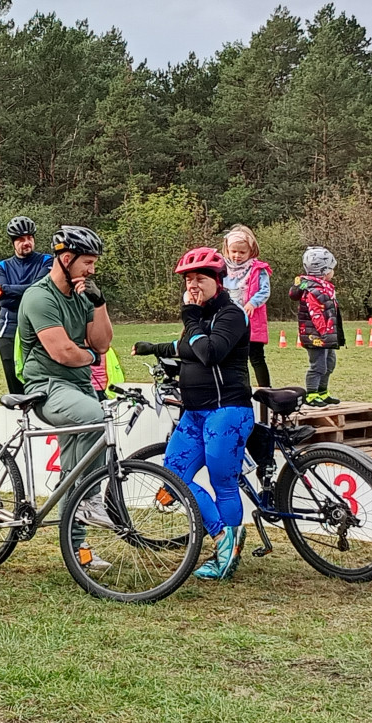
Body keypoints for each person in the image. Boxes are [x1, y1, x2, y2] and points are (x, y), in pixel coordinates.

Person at [133, 247, 254, 581]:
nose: (193, 286)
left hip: (227, 412)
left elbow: (209, 351)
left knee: (223, 483)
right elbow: (184, 347)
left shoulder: (231, 314)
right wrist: (152, 348)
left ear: (218, 281)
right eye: (188, 280)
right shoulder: (198, 320)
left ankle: (227, 549)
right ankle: (221, 535)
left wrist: (189, 316)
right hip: (195, 413)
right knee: (173, 478)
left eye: (200, 279)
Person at [16, 226, 112, 564]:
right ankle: (89, 501)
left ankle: (78, 550)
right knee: (94, 418)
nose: (92, 270)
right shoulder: (40, 297)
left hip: (80, 387)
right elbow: (64, 353)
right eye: (87, 262)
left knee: (76, 465)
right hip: (46, 387)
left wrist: (98, 303)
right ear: (66, 259)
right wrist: (90, 356)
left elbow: (102, 342)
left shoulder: (82, 295)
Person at [0, 216, 52, 395]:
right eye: (21, 239)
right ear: (13, 243)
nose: (27, 242)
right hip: (9, 330)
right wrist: (28, 291)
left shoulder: (47, 261)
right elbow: (2, 300)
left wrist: (6, 289)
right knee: (16, 390)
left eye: (30, 238)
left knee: (41, 385)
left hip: (38, 329)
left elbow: (40, 291)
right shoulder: (2, 266)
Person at [290, 247, 344, 408]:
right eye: (331, 268)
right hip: (316, 336)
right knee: (318, 365)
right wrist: (324, 332)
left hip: (326, 334)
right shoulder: (314, 289)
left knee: (330, 363)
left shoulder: (325, 287)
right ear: (324, 271)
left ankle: (322, 391)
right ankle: (311, 393)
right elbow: (316, 315)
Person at [222, 225, 272, 387]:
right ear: (227, 250)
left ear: (251, 251)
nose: (237, 256)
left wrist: (253, 303)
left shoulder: (258, 269)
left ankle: (266, 390)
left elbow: (265, 290)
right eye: (233, 251)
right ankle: (239, 389)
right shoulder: (221, 269)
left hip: (252, 320)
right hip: (229, 320)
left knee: (256, 357)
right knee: (234, 358)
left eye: (242, 252)